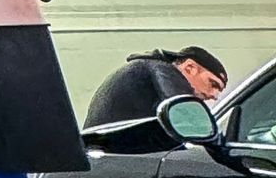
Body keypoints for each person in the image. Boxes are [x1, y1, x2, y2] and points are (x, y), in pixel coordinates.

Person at [83, 45, 230, 135]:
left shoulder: (147, 68)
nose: (214, 95)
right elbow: (188, 120)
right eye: (213, 84)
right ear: (189, 68)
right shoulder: (164, 71)